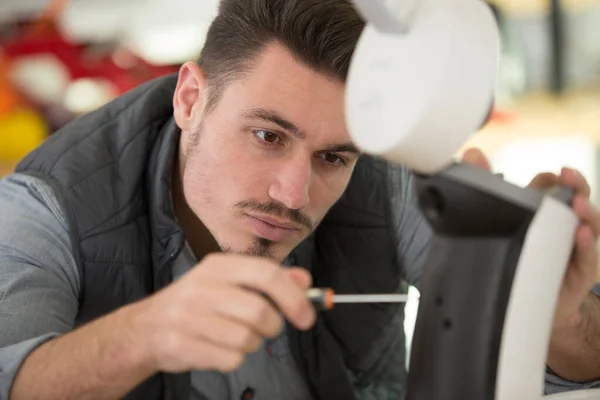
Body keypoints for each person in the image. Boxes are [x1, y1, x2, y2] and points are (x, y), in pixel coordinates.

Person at [1, 0, 600, 399]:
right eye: (268, 136)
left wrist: (549, 307)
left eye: (333, 157)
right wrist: (146, 334)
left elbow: (575, 353)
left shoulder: (383, 171)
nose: (294, 194)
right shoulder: (45, 206)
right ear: (190, 99)